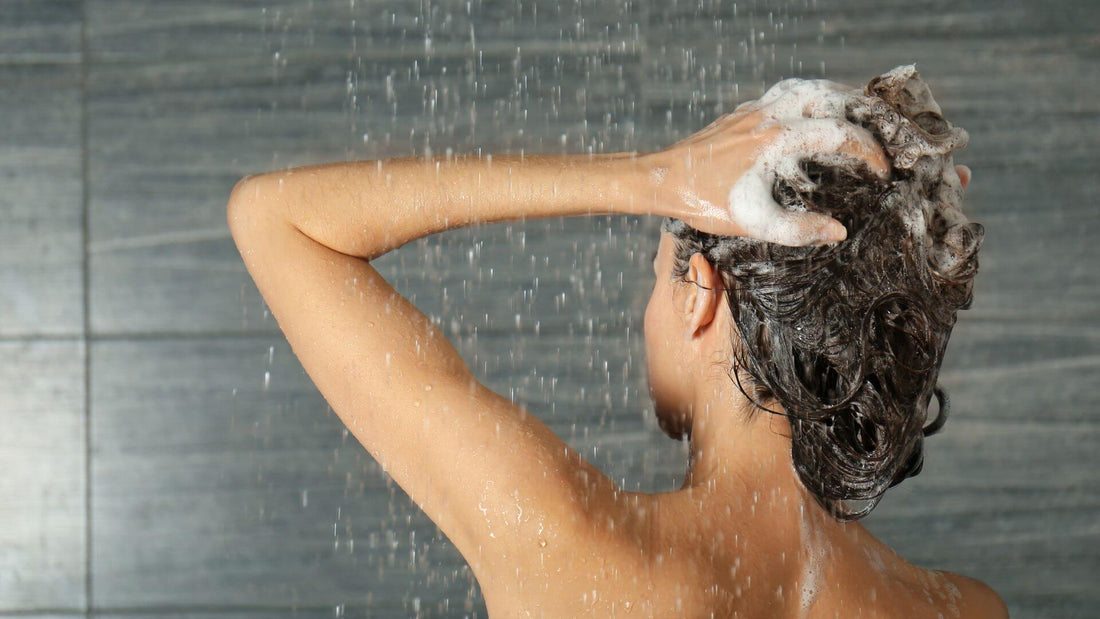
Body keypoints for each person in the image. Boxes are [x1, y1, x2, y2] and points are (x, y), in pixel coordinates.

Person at [227, 65, 1008, 617]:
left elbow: (277, 220)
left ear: (701, 293)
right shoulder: (965, 609)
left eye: (656, 276)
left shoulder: (576, 551)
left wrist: (649, 178)